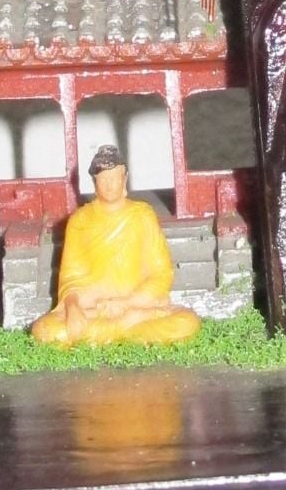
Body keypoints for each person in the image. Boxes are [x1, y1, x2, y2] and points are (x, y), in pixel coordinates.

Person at [30, 145, 202, 347]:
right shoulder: (80, 221)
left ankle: (113, 330)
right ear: (94, 183)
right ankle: (127, 329)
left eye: (115, 178)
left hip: (136, 307)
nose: (110, 185)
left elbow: (162, 274)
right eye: (104, 180)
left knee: (186, 322)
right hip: (95, 309)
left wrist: (127, 303)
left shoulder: (142, 215)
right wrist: (73, 307)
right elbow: (71, 278)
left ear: (125, 179)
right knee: (45, 330)